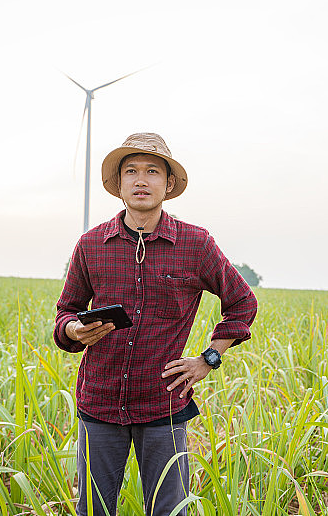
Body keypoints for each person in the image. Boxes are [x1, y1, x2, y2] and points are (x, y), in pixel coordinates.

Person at [54, 132, 257, 516]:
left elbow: (242, 301)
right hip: (99, 403)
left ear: (168, 184)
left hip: (162, 404)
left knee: (169, 510)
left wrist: (208, 358)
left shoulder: (196, 244)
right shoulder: (91, 245)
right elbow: (66, 311)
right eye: (131, 171)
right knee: (93, 510)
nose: (141, 180)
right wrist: (73, 330)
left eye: (152, 171)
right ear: (119, 185)